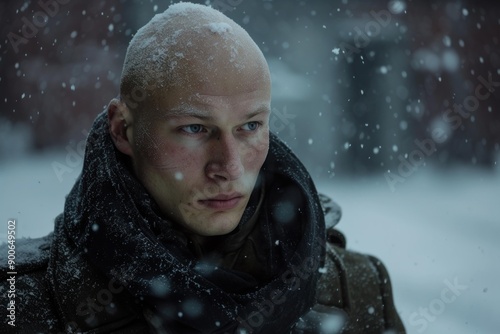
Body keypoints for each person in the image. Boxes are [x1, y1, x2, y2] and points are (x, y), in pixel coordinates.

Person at [1, 3, 405, 333]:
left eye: (250, 126)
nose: (230, 167)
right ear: (124, 129)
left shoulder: (357, 289)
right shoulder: (20, 303)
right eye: (195, 128)